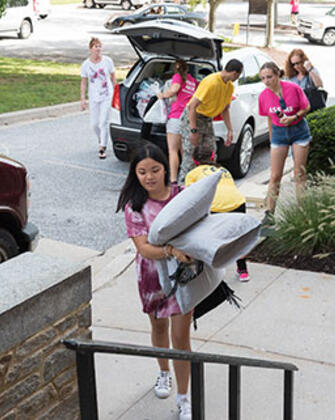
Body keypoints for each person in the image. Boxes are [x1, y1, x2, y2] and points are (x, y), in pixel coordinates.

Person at [116, 143, 194, 420]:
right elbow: (144, 249)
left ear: (165, 168)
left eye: (155, 170)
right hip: (150, 277)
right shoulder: (134, 206)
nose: (149, 177)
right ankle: (164, 373)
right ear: (134, 174)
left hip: (183, 276)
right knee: (158, 328)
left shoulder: (183, 196)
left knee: (181, 338)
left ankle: (184, 398)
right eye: (142, 172)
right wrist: (171, 251)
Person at [185, 145, 250, 282]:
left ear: (195, 161)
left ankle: (207, 271)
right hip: (238, 203)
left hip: (215, 207)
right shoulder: (224, 170)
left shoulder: (192, 174)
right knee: (238, 237)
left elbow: (191, 198)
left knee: (208, 238)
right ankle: (243, 270)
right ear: (213, 157)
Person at [258, 62, 311, 222]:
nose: (266, 81)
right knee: (275, 175)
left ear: (277, 75)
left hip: (298, 131)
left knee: (299, 173)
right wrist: (271, 137)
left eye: (269, 77)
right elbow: (268, 116)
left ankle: (303, 211)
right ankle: (269, 213)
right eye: (263, 78)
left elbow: (306, 107)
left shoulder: (293, 88)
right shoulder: (263, 96)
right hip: (279, 133)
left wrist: (294, 117)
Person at [179, 59, 243, 184]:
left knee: (211, 152)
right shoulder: (211, 82)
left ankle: (206, 184)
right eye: (238, 75)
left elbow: (225, 109)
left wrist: (229, 129)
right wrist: (193, 130)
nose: (237, 78)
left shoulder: (229, 86)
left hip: (207, 119)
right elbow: (192, 106)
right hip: (193, 117)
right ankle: (183, 185)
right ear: (235, 73)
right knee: (191, 153)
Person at [157, 60, 198, 184]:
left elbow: (175, 89)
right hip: (188, 118)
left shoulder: (177, 77)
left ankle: (173, 179)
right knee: (184, 151)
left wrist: (162, 95)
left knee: (173, 150)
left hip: (176, 117)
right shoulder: (193, 81)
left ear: (176, 68)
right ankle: (187, 178)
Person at [80, 37, 116, 159]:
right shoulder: (86, 64)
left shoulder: (107, 61)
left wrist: (115, 91)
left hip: (107, 94)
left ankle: (102, 147)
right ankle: (101, 138)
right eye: (96, 46)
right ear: (91, 49)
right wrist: (82, 98)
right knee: (94, 124)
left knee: (103, 122)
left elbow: (113, 76)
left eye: (100, 46)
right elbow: (84, 82)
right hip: (94, 96)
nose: (98, 48)